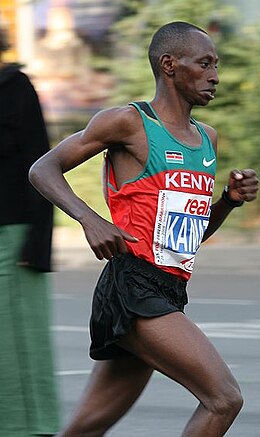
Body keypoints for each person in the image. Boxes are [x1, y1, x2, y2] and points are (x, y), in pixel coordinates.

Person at [29, 21, 259, 437]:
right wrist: (89, 218)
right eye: (204, 63)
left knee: (85, 428)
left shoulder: (207, 138)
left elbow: (189, 236)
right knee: (223, 399)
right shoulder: (128, 122)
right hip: (133, 287)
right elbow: (43, 168)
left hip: (169, 288)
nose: (215, 75)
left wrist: (227, 201)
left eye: (217, 65)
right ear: (170, 65)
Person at [0, 27, 60, 436]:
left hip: (15, 236)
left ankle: (28, 429)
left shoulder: (16, 87)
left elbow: (45, 165)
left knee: (18, 344)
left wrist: (39, 240)